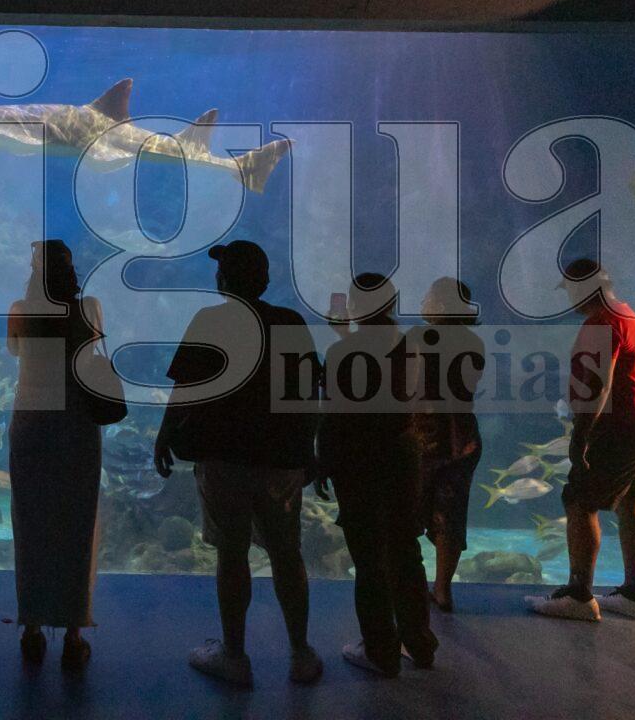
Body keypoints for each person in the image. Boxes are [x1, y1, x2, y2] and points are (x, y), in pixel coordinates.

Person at [154, 239, 324, 687]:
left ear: (224, 280)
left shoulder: (210, 321)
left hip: (222, 459)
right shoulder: (289, 322)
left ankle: (234, 656)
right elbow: (309, 392)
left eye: (222, 270)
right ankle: (301, 653)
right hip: (281, 460)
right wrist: (310, 449)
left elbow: (184, 390)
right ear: (265, 280)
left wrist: (164, 435)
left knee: (231, 554)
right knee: (287, 553)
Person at [527, 258, 635, 623]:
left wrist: (581, 436)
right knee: (633, 507)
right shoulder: (629, 317)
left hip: (623, 431)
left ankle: (579, 596)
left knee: (578, 501)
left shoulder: (601, 323)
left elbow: (598, 384)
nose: (569, 298)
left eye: (571, 290)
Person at [319, 273, 436, 677]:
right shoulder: (411, 346)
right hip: (402, 455)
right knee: (406, 549)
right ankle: (420, 644)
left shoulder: (342, 351)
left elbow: (333, 411)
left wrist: (323, 460)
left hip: (357, 458)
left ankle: (381, 651)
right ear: (391, 304)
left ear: (354, 307)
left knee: (369, 557)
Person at [5, 239, 104, 671]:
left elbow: (15, 351)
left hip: (31, 423)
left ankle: (31, 629)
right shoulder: (91, 308)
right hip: (77, 426)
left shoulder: (19, 311)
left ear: (34, 272)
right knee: (77, 526)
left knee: (31, 526)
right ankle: (74, 634)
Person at [404, 277, 485, 612]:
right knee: (450, 515)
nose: (422, 301)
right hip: (463, 439)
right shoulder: (473, 342)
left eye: (427, 295)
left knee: (407, 514)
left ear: (439, 303)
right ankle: (442, 590)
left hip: (423, 438)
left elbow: (407, 386)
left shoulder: (418, 338)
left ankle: (408, 586)